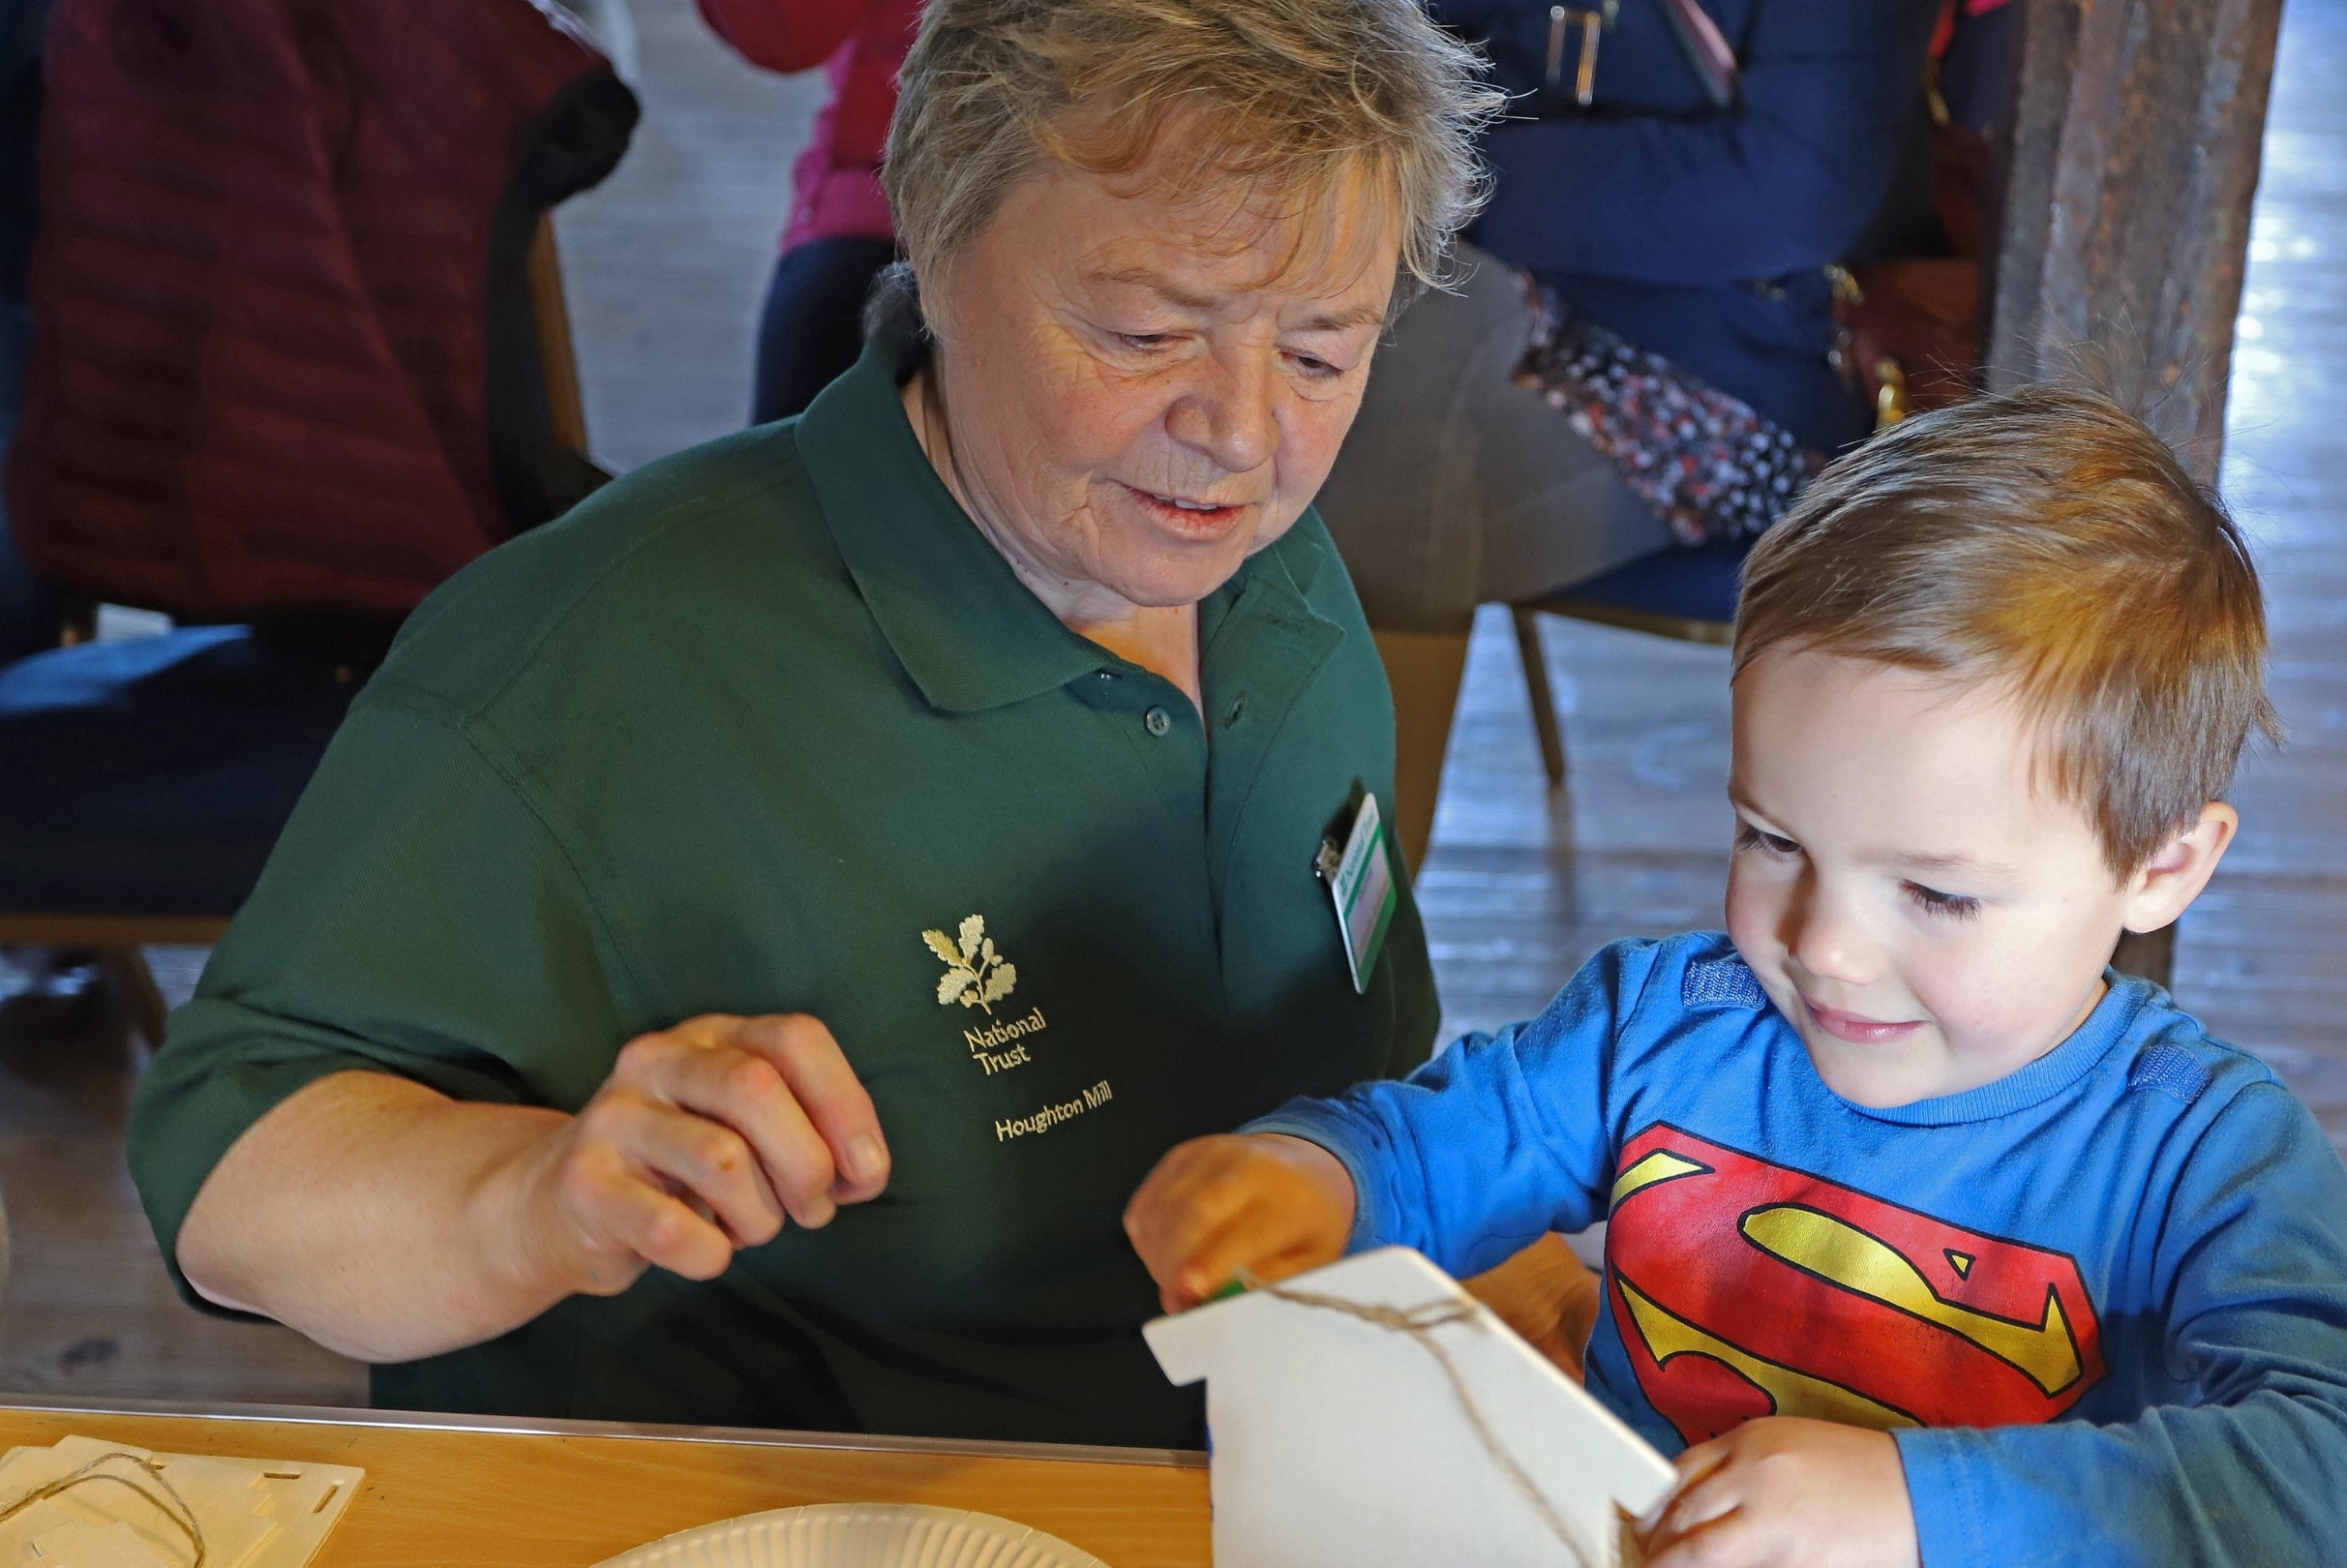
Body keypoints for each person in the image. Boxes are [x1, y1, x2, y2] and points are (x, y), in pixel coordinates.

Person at [124, 0, 1533, 1446]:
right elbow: (231, 1177)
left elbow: (1364, 1088)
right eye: (1145, 329)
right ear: (930, 234)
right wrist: (538, 1199)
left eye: (1318, 353)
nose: (1241, 434)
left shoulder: (1271, 580)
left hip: (1253, 1482)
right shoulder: (603, 660)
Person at [1126, 387, 2347, 1564]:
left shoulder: (2200, 1151)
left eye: (1934, 892)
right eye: (1772, 838)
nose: (1822, 946)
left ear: (2163, 865)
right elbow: (1438, 1147)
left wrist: (1916, 1513)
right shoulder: (1670, 1026)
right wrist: (1313, 1175)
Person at [1316, 0, 1951, 862]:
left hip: (1731, 375)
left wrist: (1444, 170)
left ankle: (1345, 918)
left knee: (1386, 416)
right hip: (1484, 282)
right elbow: (1388, 76)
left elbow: (1791, 194)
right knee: (1310, 362)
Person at [695, 0, 913, 425]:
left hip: (1012, 190)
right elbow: (786, 32)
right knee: (784, 455)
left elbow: (783, 34)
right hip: (883, 188)